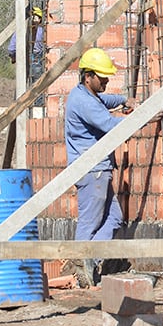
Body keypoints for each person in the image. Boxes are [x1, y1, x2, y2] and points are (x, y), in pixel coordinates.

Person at [65, 47, 136, 283]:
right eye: (102, 77)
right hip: (92, 171)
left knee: (114, 218)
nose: (106, 80)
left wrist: (125, 100)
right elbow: (110, 124)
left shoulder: (87, 95)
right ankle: (82, 265)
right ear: (88, 77)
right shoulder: (84, 102)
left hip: (99, 170)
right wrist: (141, 118)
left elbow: (107, 100)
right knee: (90, 222)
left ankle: (88, 261)